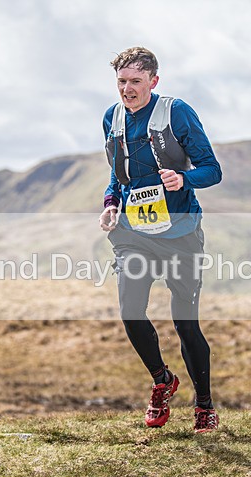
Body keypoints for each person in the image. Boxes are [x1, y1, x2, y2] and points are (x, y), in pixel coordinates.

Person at [99, 47, 222, 433]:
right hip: (133, 233)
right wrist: (111, 204)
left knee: (185, 323)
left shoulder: (176, 112)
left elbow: (212, 169)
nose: (127, 89)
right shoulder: (112, 117)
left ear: (154, 81)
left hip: (180, 233)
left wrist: (184, 178)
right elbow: (118, 174)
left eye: (136, 81)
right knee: (131, 311)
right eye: (122, 81)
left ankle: (204, 405)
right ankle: (162, 380)